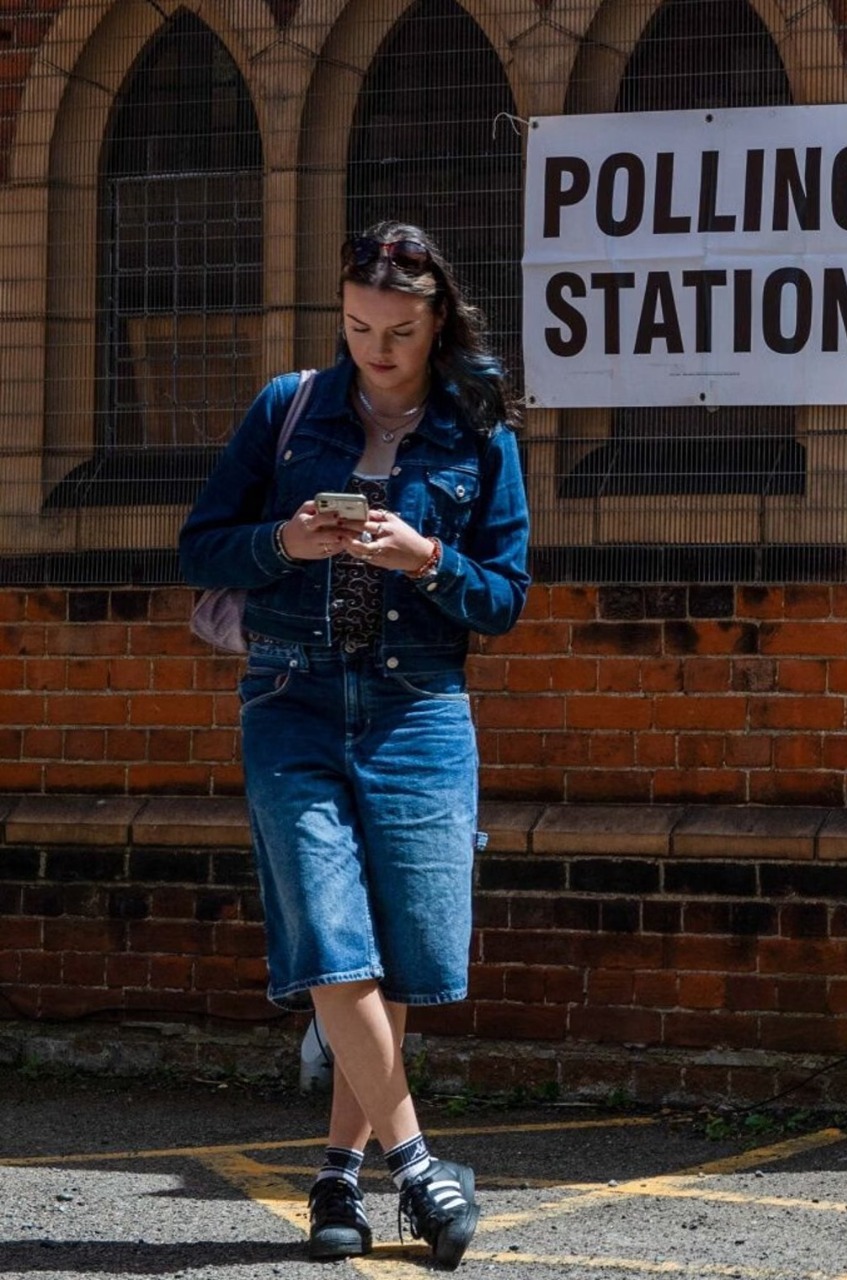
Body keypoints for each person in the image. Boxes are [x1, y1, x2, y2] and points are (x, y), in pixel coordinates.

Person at [179, 222, 530, 1268]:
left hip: (418, 710)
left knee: (395, 956)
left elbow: (504, 597)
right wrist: (282, 540)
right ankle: (419, 1166)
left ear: (438, 323)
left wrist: (426, 557)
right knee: (332, 939)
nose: (376, 349)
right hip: (290, 697)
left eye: (399, 331)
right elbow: (200, 543)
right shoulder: (288, 408)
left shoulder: (478, 432)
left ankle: (338, 1172)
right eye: (357, 326)